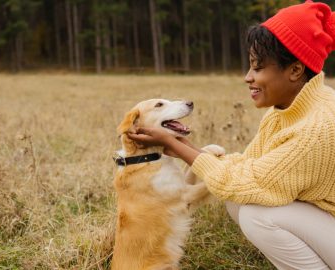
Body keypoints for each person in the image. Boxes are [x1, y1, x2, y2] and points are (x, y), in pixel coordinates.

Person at [128, 1, 335, 269]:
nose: (248, 77)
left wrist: (174, 145)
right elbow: (250, 169)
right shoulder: (288, 109)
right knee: (238, 201)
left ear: (295, 70)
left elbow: (245, 182)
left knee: (257, 214)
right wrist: (185, 145)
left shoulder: (316, 128)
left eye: (258, 68)